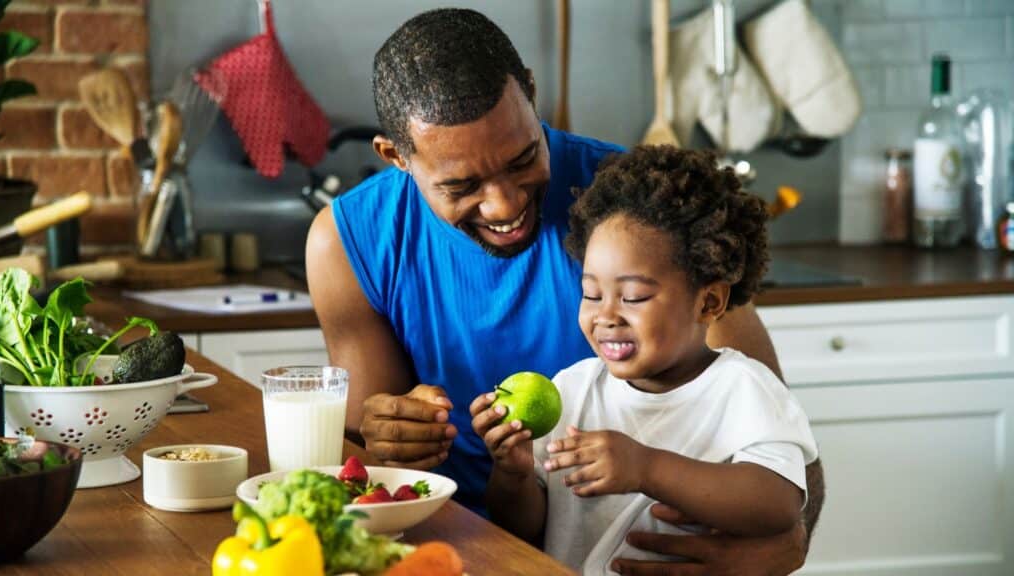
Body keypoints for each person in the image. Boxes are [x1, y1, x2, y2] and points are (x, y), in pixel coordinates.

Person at [306, 7, 824, 574]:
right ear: (394, 156)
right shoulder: (349, 241)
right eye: (462, 185)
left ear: (531, 91)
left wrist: (783, 548)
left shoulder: (641, 215)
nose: (504, 205)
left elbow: (787, 460)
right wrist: (389, 439)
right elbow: (361, 470)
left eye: (523, 158)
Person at [470, 146, 819, 573]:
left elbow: (777, 503)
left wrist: (647, 467)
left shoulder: (743, 389)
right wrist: (514, 474)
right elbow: (525, 528)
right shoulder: (573, 389)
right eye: (591, 293)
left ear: (708, 302)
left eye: (633, 296)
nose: (606, 315)